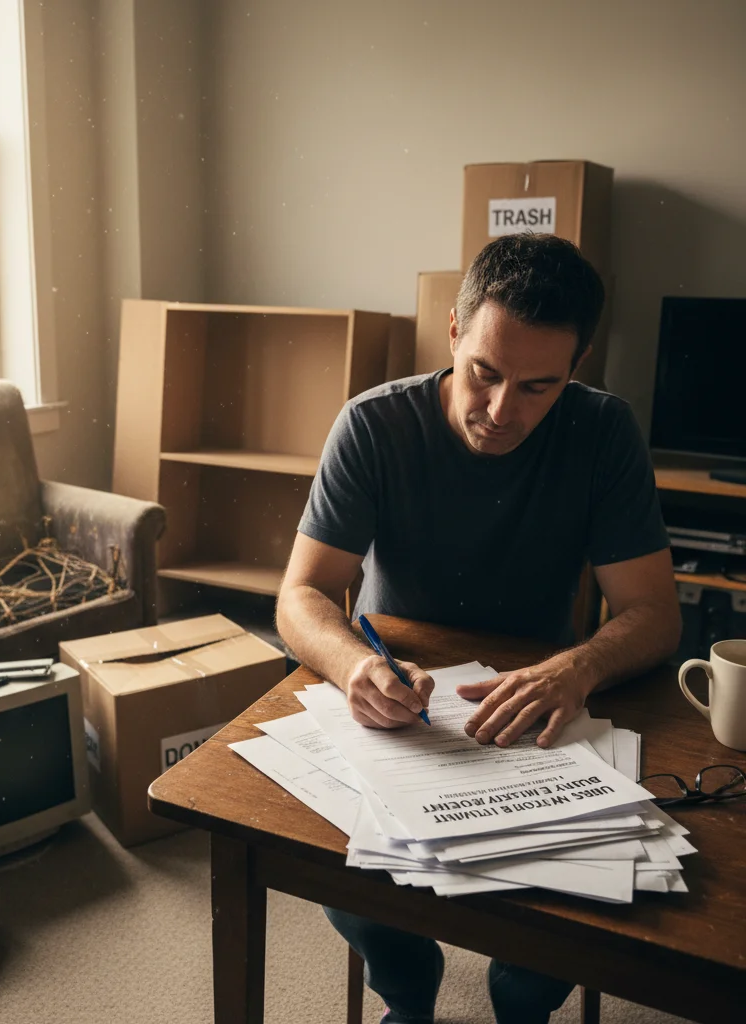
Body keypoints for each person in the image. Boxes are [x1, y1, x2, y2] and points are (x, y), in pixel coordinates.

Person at [275, 233, 682, 1024]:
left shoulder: (603, 432)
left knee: (568, 909)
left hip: (539, 709)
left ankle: (519, 1005)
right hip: (401, 702)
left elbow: (654, 613)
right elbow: (302, 594)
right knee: (346, 879)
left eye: (537, 387)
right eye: (484, 374)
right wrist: (355, 665)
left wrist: (576, 668)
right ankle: (408, 995)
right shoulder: (373, 425)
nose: (500, 412)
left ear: (577, 365)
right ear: (454, 331)